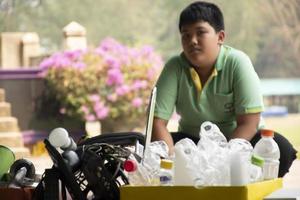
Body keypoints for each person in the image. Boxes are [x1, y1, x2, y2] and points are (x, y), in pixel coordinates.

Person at [152, 1, 297, 177]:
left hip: (237, 141)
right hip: (192, 142)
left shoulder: (237, 63)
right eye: (186, 35)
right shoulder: (174, 67)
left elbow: (249, 124)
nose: (192, 41)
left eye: (200, 32)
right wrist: (172, 160)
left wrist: (221, 160)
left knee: (282, 149)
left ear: (220, 37)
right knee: (145, 150)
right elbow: (157, 122)